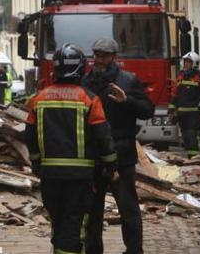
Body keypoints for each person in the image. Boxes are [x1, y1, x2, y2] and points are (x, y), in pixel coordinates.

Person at [26, 43, 117, 254]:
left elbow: (29, 135)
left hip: (50, 175)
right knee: (74, 224)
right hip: (81, 177)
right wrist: (111, 164)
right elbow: (103, 136)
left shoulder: (38, 99)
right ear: (82, 68)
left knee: (57, 220)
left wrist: (36, 161)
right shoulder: (89, 99)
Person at [82, 38, 154, 254]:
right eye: (96, 54)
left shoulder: (128, 80)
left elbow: (147, 110)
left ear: (114, 57)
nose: (99, 59)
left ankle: (134, 250)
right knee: (93, 210)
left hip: (121, 155)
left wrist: (126, 101)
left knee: (128, 208)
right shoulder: (85, 82)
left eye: (104, 55)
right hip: (93, 156)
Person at [169, 52, 200, 157]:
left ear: (194, 63)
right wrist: (171, 109)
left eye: (189, 62)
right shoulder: (181, 76)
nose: (186, 64)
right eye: (185, 62)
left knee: (192, 136)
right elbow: (175, 93)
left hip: (194, 113)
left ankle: (196, 158)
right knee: (185, 137)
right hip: (181, 113)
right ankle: (190, 159)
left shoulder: (199, 77)